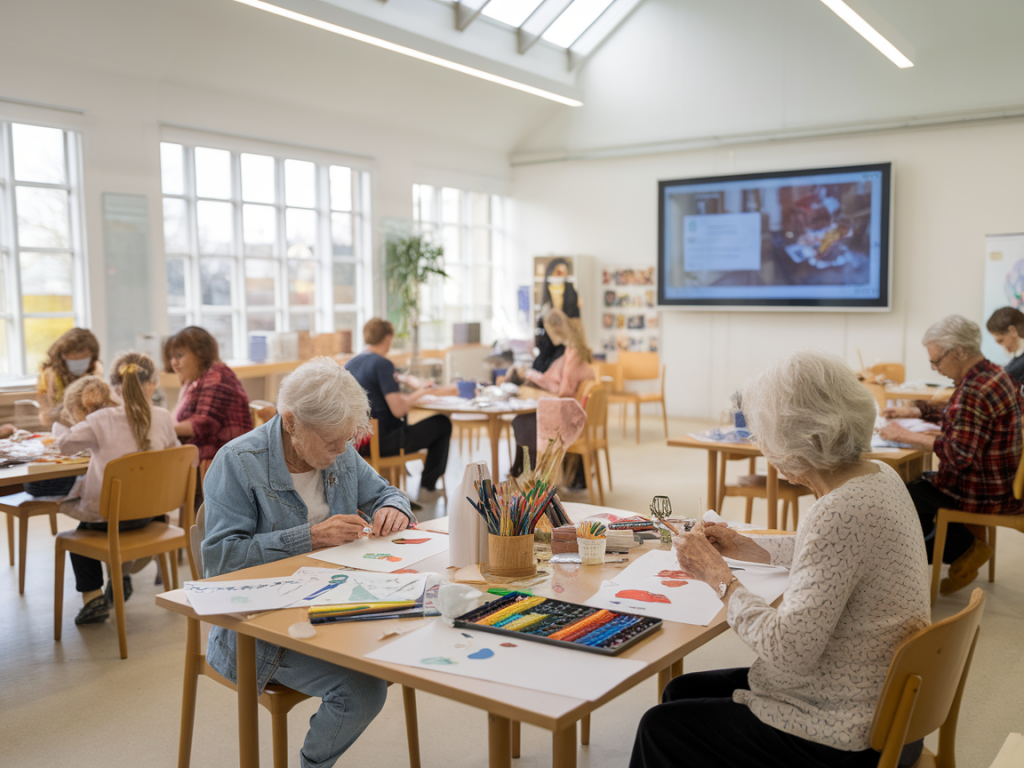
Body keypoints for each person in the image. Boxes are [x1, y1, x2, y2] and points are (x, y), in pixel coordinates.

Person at [631, 350, 930, 768]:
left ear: (794, 441)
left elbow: (787, 649)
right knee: (680, 692)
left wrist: (719, 577)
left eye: (764, 436)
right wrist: (746, 547)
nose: (763, 448)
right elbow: (831, 554)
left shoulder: (837, 512)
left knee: (658, 726)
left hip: (846, 732)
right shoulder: (881, 476)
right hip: (889, 706)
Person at [203, 357, 412, 768]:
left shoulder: (340, 451)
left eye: (346, 440)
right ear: (292, 422)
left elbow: (386, 492)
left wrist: (393, 507)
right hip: (261, 628)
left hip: (335, 605)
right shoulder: (237, 461)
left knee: (410, 644)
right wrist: (311, 537)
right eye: (332, 442)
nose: (340, 452)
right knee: (363, 690)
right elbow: (220, 561)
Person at [879, 315, 1023, 594]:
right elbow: (961, 415)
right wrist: (916, 411)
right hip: (1003, 484)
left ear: (959, 352)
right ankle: (957, 550)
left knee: (902, 497)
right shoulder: (994, 373)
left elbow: (958, 456)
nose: (935, 368)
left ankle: (956, 552)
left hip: (981, 490)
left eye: (937, 361)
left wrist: (904, 435)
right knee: (916, 494)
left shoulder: (974, 390)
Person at [55, 353, 179, 625]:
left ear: (112, 387)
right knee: (114, 522)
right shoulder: (163, 417)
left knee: (79, 537)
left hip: (109, 520)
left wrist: (60, 425)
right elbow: (178, 456)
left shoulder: (100, 420)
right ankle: (120, 574)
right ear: (153, 384)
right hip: (152, 517)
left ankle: (93, 599)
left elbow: (64, 446)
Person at [345, 318, 452, 499]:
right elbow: (399, 410)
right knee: (442, 423)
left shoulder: (351, 363)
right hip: (383, 441)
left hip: (358, 443)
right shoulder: (382, 364)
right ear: (388, 338)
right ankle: (428, 487)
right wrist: (423, 391)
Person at [510, 309, 595, 477]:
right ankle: (528, 471)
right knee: (523, 419)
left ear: (555, 328)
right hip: (571, 409)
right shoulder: (574, 351)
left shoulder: (573, 353)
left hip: (568, 413)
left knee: (524, 421)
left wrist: (530, 375)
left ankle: (531, 473)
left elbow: (563, 390)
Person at [26, 328, 103, 497]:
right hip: (63, 440)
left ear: (92, 357)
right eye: (73, 359)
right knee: (36, 485)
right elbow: (46, 417)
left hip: (88, 442)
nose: (78, 364)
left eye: (82, 359)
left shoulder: (96, 372)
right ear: (62, 356)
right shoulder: (50, 376)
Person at [163, 326, 253, 466]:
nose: (173, 362)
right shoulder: (196, 380)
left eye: (179, 356)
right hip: (206, 459)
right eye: (171, 357)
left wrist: (161, 428)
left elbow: (204, 424)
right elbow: (177, 420)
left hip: (222, 463)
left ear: (200, 353)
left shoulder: (217, 376)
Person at [532, 258, 580, 374]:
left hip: (565, 337)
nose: (560, 275)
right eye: (558, 271)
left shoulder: (570, 291)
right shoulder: (547, 292)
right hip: (549, 337)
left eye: (564, 272)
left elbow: (575, 318)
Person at [985, 306, 1024, 384]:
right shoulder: (1016, 360)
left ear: (1012, 330)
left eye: (1001, 340)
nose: (1002, 347)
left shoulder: (1015, 369)